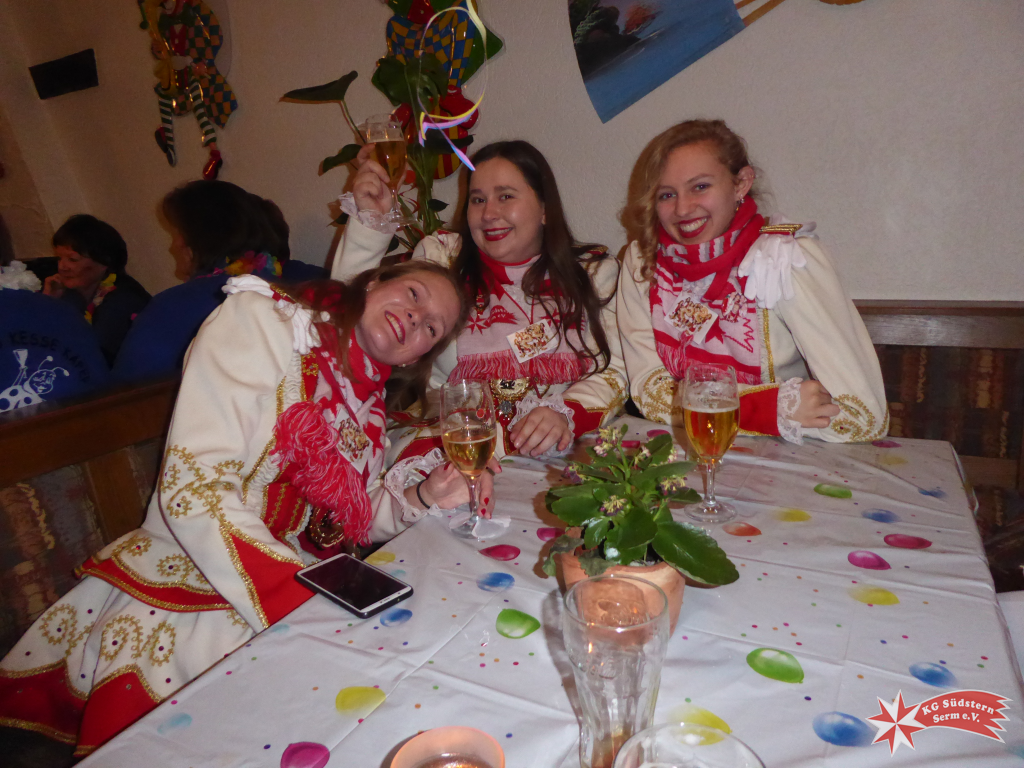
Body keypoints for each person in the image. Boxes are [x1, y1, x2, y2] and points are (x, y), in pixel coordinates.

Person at [0, 261, 490, 755]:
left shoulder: (368, 402)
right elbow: (193, 490)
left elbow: (350, 520)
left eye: (433, 329)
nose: (417, 318)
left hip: (298, 581)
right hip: (198, 578)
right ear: (373, 282)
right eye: (413, 293)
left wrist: (424, 495)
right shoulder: (264, 321)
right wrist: (299, 598)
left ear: (419, 356)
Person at [334, 139, 628, 464]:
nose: (488, 214)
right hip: (451, 445)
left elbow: (614, 371)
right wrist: (370, 221)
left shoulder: (593, 272)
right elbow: (349, 321)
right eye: (478, 200)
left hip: (556, 451)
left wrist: (565, 414)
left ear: (545, 208)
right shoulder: (442, 257)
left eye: (505, 196)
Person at [617, 119, 887, 443]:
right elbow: (649, 391)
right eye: (666, 194)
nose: (683, 208)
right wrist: (765, 409)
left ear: (741, 184)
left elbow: (863, 416)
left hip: (783, 456)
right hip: (687, 449)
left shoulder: (783, 260)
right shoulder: (644, 264)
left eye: (700, 187)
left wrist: (722, 408)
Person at [112, 180, 321, 383]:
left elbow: (122, 396)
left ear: (193, 241)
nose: (172, 246)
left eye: (176, 233)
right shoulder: (307, 283)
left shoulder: (171, 309)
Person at [44, 215, 151, 366]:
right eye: (59, 258)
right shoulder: (72, 294)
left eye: (72, 259)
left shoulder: (122, 300)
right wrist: (49, 302)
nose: (62, 267)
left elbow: (92, 359)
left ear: (104, 261)